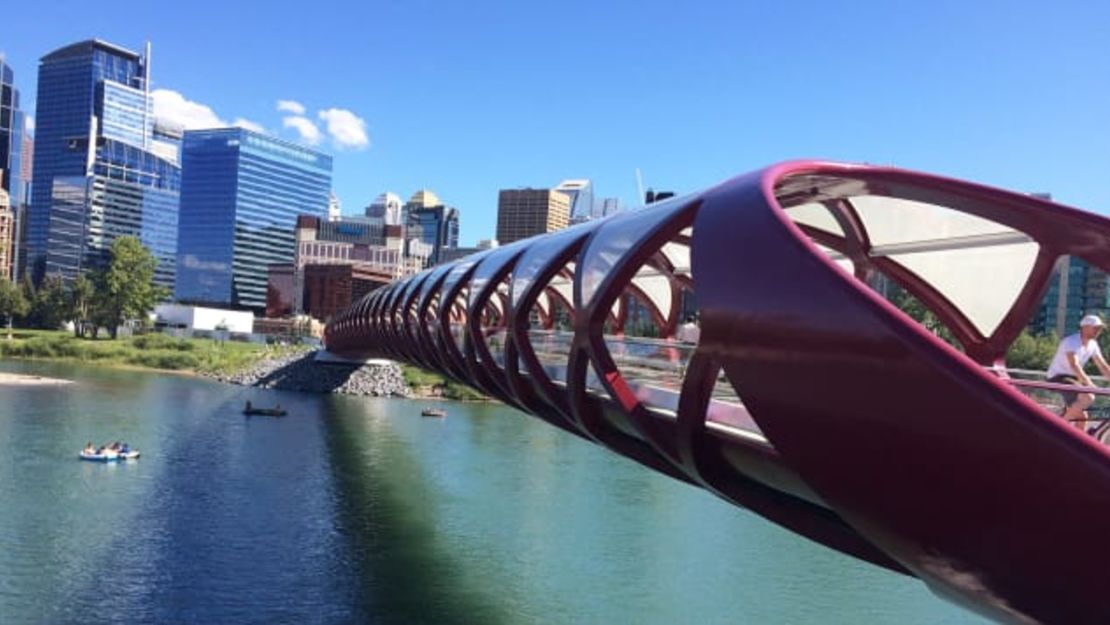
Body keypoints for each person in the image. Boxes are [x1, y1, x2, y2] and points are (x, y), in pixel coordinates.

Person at [1046, 314, 1110, 432]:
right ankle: (1058, 426)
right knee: (1088, 396)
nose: (1099, 331)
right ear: (1085, 327)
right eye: (1095, 327)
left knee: (1082, 418)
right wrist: (1089, 384)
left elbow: (1102, 366)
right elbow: (1074, 365)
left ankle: (1078, 442)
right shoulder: (1071, 341)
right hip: (1058, 377)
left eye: (1100, 328)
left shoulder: (1093, 344)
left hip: (1074, 379)